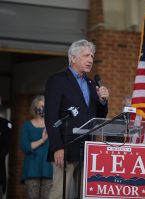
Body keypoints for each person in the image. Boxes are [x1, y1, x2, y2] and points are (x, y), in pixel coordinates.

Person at [44, 39, 109, 199]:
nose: (91, 60)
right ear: (73, 58)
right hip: (66, 146)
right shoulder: (57, 80)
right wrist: (57, 147)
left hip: (88, 148)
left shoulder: (91, 83)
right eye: (86, 55)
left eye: (92, 56)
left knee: (83, 194)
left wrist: (103, 101)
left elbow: (99, 117)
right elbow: (51, 116)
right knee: (60, 193)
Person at [20, 95, 52, 199]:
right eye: (41, 106)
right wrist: (42, 140)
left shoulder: (52, 126)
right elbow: (25, 147)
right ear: (35, 108)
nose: (43, 109)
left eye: (46, 106)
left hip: (49, 169)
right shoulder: (27, 125)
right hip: (32, 169)